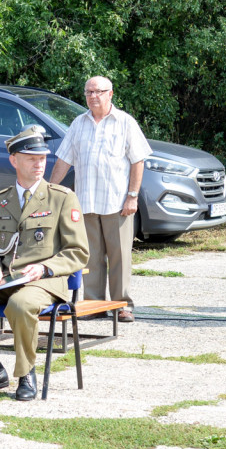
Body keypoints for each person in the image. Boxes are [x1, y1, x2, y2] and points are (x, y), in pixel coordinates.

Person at [0, 125, 89, 401]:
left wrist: (45, 267)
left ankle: (26, 372)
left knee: (20, 304)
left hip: (45, 281)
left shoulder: (61, 197)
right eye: (31, 158)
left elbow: (78, 252)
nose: (40, 164)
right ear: (14, 160)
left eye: (42, 158)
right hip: (5, 278)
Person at [48, 75, 151, 323]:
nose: (93, 96)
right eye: (89, 92)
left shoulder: (125, 122)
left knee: (120, 256)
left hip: (117, 203)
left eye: (98, 92)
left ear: (110, 94)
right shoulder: (78, 123)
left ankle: (122, 305)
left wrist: (132, 196)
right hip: (86, 203)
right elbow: (64, 160)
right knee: (90, 257)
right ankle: (94, 304)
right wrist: (48, 191)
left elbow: (138, 161)